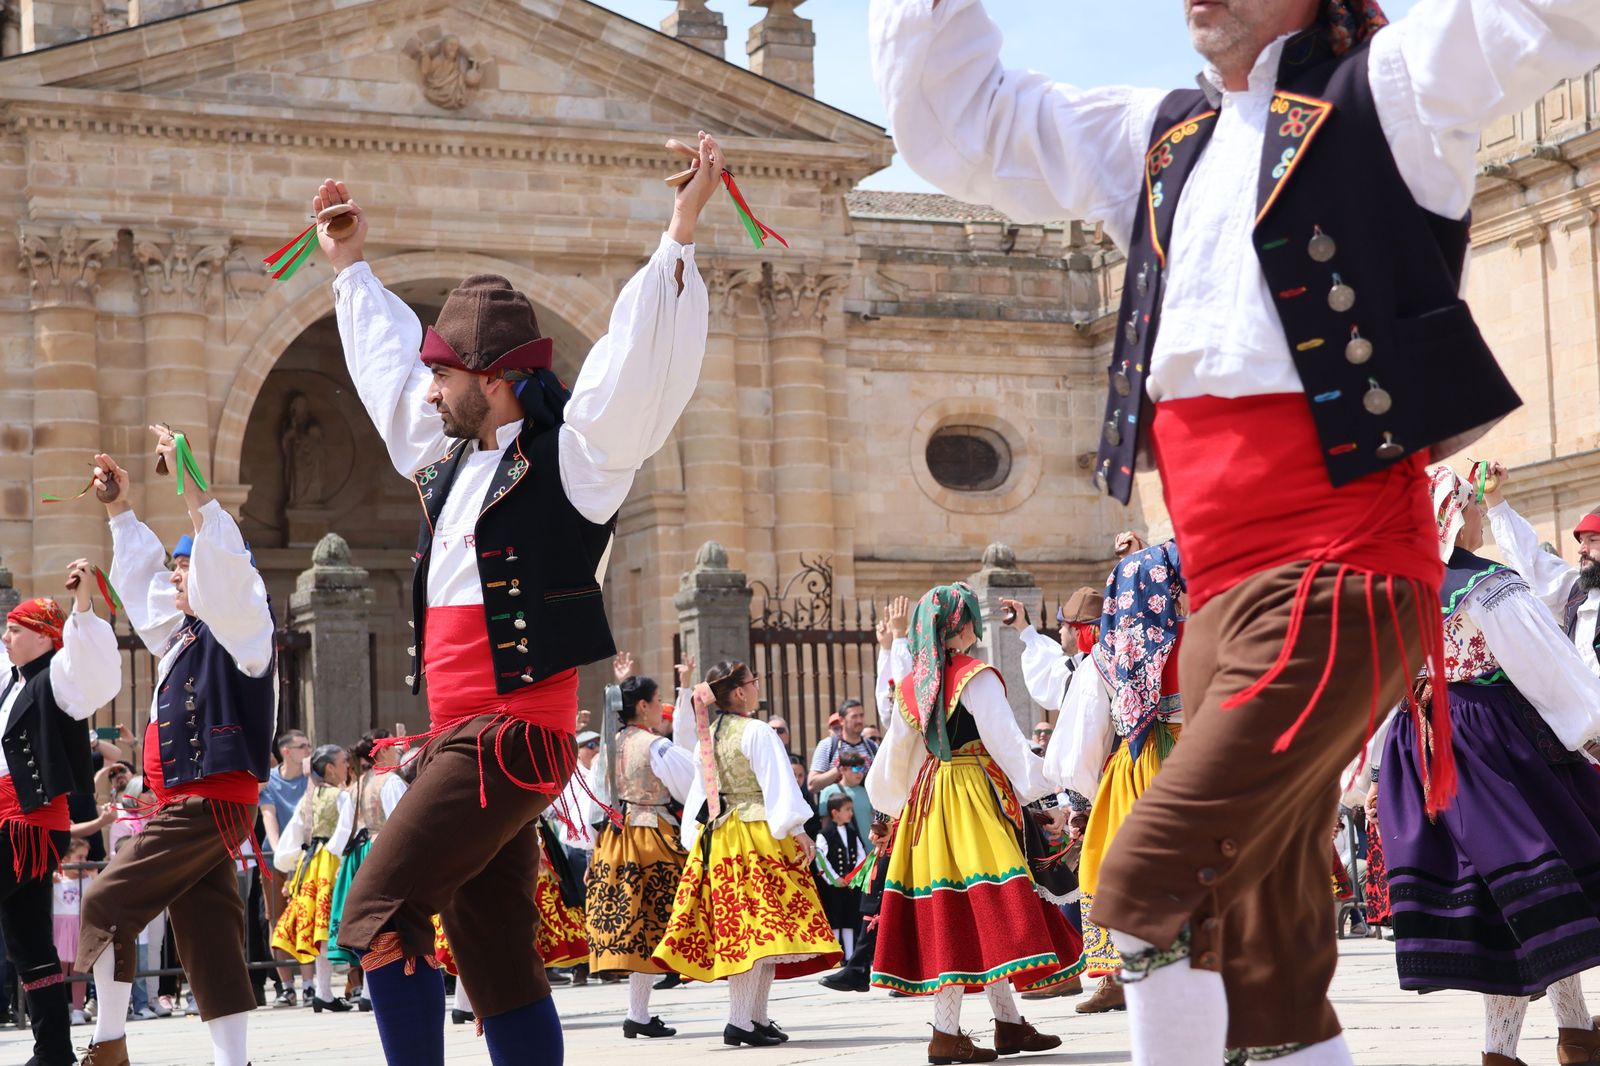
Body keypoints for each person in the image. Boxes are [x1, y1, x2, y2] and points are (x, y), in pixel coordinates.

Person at [871, 0, 1600, 1060]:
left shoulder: (1391, 93)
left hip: (1341, 571)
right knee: (1262, 946)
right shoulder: (1154, 137)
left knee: (1144, 883)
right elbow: (963, 122)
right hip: (1218, 594)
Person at [319, 128, 717, 1066]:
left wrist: (681, 230)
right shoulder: (444, 464)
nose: (430, 387)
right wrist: (349, 268)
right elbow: (384, 380)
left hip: (511, 738)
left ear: (496, 381)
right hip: (463, 740)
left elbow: (633, 366)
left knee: (375, 910)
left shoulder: (575, 463)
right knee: (496, 959)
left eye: (446, 374)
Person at [1379, 466, 1600, 1066]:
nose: (1479, 517)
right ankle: (1500, 1053)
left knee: (1537, 901)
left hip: (1418, 748)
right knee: (1520, 897)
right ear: (1449, 516)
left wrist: (1364, 773)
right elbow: (1545, 664)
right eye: (1472, 507)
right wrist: (1590, 728)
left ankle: (1577, 1032)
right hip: (1489, 743)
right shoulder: (1484, 585)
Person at [79, 432, 278, 1066]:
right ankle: (233, 1061)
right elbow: (142, 583)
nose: (173, 575)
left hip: (208, 802)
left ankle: (108, 1045)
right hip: (188, 806)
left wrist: (191, 486)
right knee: (211, 932)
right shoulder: (182, 637)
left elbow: (229, 574)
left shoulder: (244, 632)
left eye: (185, 567)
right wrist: (119, 509)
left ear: (216, 576)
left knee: (105, 901)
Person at [867, 582, 1078, 1063]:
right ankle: (944, 1034)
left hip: (929, 798)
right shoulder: (976, 676)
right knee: (979, 907)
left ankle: (1008, 1024)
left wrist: (890, 811)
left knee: (962, 909)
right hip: (973, 796)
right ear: (960, 625)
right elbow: (1008, 745)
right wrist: (1049, 794)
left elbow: (894, 756)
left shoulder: (910, 687)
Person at [653, 661, 840, 1047]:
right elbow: (778, 784)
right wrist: (798, 829)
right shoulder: (756, 731)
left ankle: (755, 1017)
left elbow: (699, 792)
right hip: (757, 836)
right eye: (753, 682)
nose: (757, 688)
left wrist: (695, 836)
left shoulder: (710, 732)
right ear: (739, 691)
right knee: (757, 932)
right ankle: (740, 1020)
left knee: (756, 932)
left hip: (721, 837)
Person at [1042, 542, 1185, 1016]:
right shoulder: (1206, 636)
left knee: (1108, 867)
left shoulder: (1106, 655)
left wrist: (1077, 799)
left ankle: (1123, 974)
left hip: (1136, 764)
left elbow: (1087, 731)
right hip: (1199, 763)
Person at [1, 583, 119, 1066]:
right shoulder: (12, 681)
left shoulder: (60, 678)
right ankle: (53, 1051)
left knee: (27, 937)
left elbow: (90, 660)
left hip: (25, 824)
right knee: (28, 940)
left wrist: (84, 603)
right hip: (14, 822)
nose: (5, 637)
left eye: (14, 629)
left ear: (44, 636)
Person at [585, 673, 694, 1039]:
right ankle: (639, 1011)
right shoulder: (654, 745)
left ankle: (639, 1013)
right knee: (660, 919)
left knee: (637, 926)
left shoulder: (610, 745)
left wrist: (593, 850)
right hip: (651, 835)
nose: (659, 709)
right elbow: (690, 780)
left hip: (615, 838)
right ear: (643, 705)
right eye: (657, 700)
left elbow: (595, 801)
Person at [1483, 461, 1600, 677]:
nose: (1582, 549)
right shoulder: (1576, 594)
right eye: (1581, 541)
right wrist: (1495, 499)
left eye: (1592, 540)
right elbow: (1530, 562)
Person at [271, 743, 353, 1012]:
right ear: (329, 768)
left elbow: (293, 834)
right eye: (343, 762)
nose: (347, 766)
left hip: (312, 864)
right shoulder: (341, 797)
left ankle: (324, 991)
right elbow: (344, 830)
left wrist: (289, 860)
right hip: (331, 864)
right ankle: (334, 990)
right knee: (333, 925)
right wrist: (337, 858)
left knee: (322, 928)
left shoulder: (309, 798)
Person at [328, 729, 397, 1009]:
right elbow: (400, 820)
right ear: (381, 751)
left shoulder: (356, 785)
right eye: (393, 744)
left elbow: (344, 829)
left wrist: (339, 860)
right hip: (386, 851)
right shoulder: (390, 781)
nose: (399, 749)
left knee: (369, 921)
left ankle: (369, 991)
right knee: (385, 920)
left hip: (361, 852)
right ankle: (373, 990)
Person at [259, 729, 311, 1006]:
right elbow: (269, 818)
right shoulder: (270, 782)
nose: (308, 750)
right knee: (276, 919)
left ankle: (310, 986)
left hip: (306, 858)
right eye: (303, 746)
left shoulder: (310, 779)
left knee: (307, 918)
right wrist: (281, 854)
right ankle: (286, 987)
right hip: (275, 858)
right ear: (287, 752)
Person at [1006, 586, 1103, 719]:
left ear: (1076, 630)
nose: (1060, 631)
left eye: (1063, 625)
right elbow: (1048, 661)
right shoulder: (1075, 670)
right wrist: (1024, 627)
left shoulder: (1089, 674)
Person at [814, 792, 867, 958]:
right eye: (847, 809)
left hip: (849, 885)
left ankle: (850, 956)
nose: (851, 813)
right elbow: (820, 858)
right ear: (835, 813)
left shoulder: (852, 833)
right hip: (833, 886)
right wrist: (835, 878)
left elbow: (861, 856)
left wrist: (853, 876)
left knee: (849, 919)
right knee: (836, 919)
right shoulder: (824, 834)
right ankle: (836, 955)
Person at [54, 836, 95, 1024]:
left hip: (80, 928)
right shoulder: (56, 881)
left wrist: (94, 875)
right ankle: (59, 1010)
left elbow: (100, 892)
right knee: (59, 972)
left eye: (85, 858)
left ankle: (78, 1009)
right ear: (65, 859)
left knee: (79, 971)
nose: (83, 863)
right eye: (80, 858)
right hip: (60, 930)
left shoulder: (86, 881)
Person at [808, 699, 876, 795]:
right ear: (841, 720)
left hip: (868, 807)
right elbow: (812, 785)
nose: (859, 720)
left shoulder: (872, 747)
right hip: (836, 806)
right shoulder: (827, 745)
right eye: (854, 716)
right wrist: (840, 768)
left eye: (861, 715)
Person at [816, 753, 871, 842]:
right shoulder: (828, 791)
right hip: (843, 851)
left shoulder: (868, 791)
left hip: (870, 851)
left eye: (862, 768)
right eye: (855, 768)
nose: (860, 773)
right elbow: (825, 824)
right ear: (842, 769)